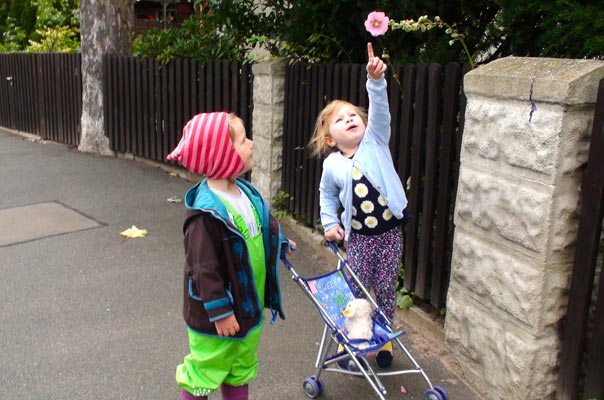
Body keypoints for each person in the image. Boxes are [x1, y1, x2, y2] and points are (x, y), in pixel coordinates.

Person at [167, 111, 295, 400]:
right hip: (216, 314)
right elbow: (203, 269)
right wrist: (221, 312)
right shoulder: (205, 214)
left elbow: (261, 227)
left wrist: (281, 243)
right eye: (242, 140)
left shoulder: (245, 192)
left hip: (248, 304)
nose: (250, 144)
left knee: (241, 366)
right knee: (205, 370)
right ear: (221, 155)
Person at [308, 43, 409, 369]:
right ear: (330, 139)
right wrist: (329, 223)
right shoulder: (333, 165)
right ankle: (352, 337)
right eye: (341, 119)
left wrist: (375, 81)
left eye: (353, 114)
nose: (350, 118)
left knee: (385, 288)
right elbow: (326, 197)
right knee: (356, 287)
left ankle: (385, 338)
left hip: (390, 233)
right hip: (361, 239)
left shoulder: (375, 142)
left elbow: (380, 109)